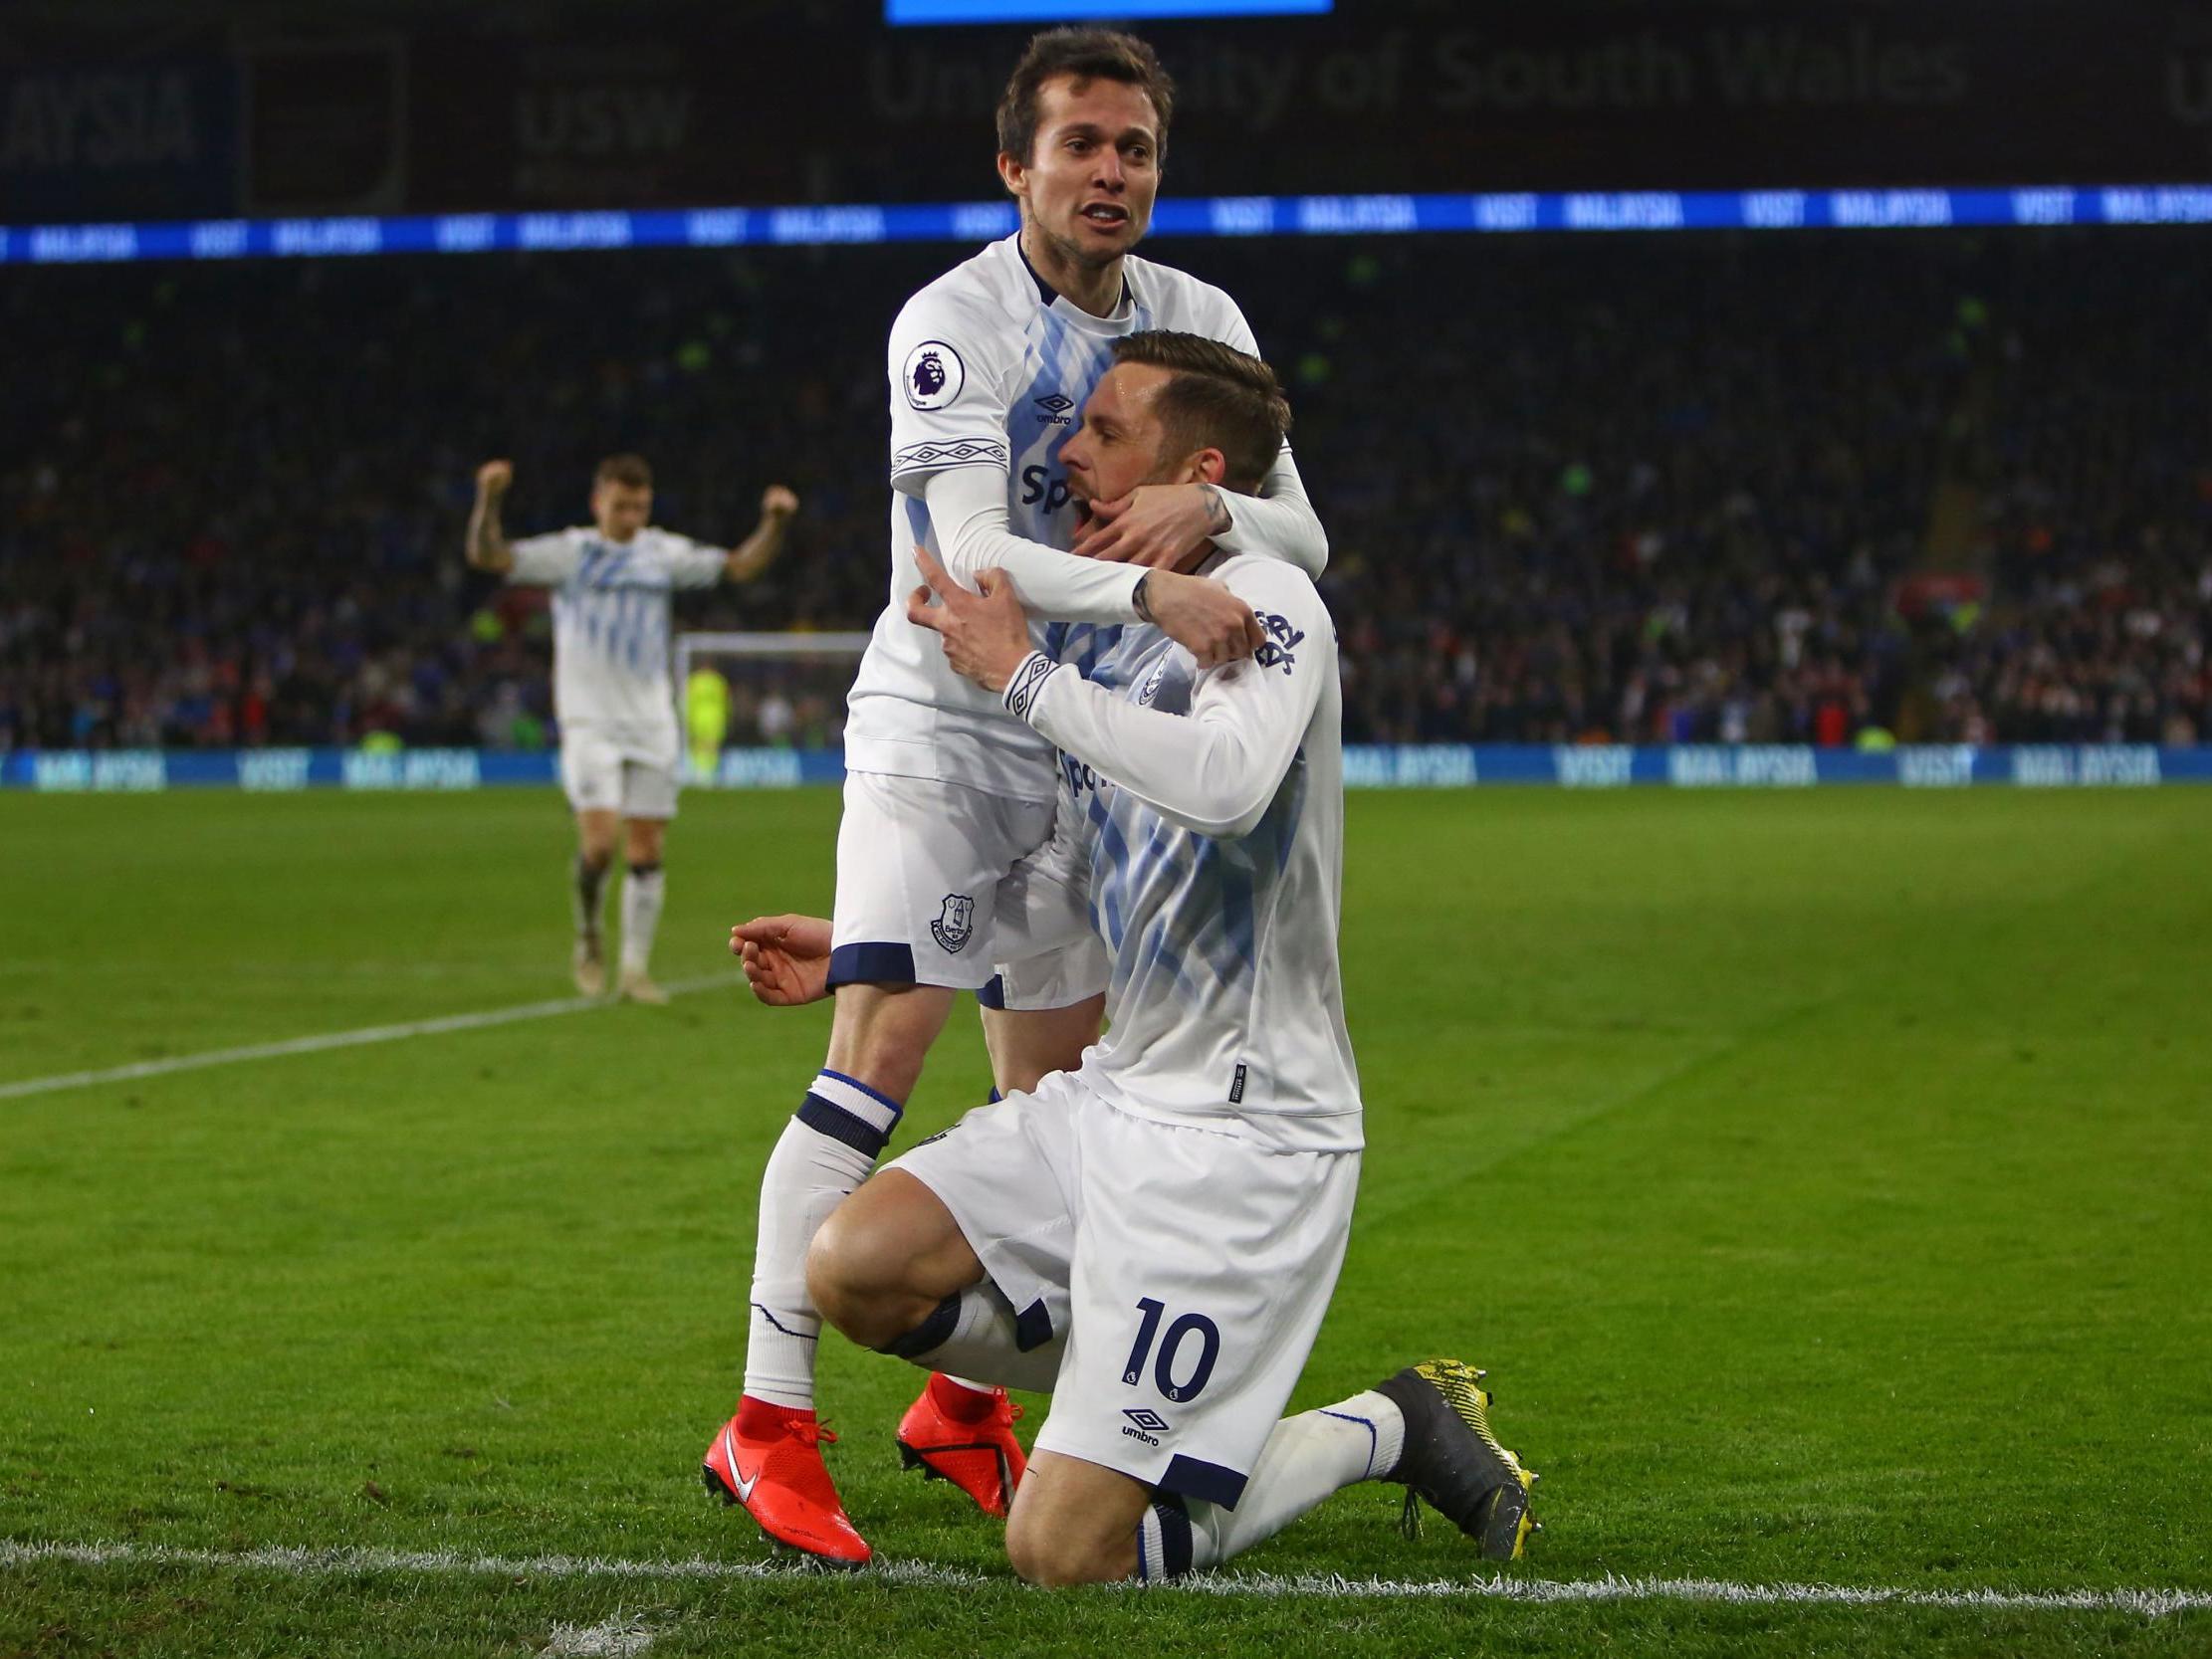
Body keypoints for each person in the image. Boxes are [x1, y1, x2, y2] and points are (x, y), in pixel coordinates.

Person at [734, 332, 1539, 1585]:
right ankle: (1131, 1398)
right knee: (851, 1264)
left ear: (1193, 466)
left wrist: (1021, 676)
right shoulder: (1116, 639)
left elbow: (1222, 786)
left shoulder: (1266, 603)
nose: (1066, 451)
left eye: (1103, 430)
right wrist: (867, 948)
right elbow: (1073, 887)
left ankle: (1385, 1424)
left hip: (1244, 1137)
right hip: (1116, 1098)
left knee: (1064, 1555)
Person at [705, 29, 1331, 1566]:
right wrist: (1161, 591)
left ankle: (969, 1406)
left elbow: (1302, 532)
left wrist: (1219, 499)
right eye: (1081, 146)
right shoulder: (953, 320)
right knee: (881, 1050)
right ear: (1016, 166)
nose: (1111, 172)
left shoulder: (1203, 320)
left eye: (1135, 149)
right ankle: (768, 1417)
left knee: (1045, 1087)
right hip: (951, 700)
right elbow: (974, 556)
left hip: (1088, 728)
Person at [465, 454, 797, 1002]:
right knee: (598, 847)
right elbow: (486, 555)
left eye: (639, 505)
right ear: (598, 503)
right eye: (621, 505)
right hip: (588, 719)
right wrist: (490, 497)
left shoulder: (660, 554)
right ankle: (590, 932)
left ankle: (635, 970)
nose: (630, 515)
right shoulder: (571, 553)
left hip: (651, 721)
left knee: (646, 849)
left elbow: (739, 567)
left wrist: (776, 522)